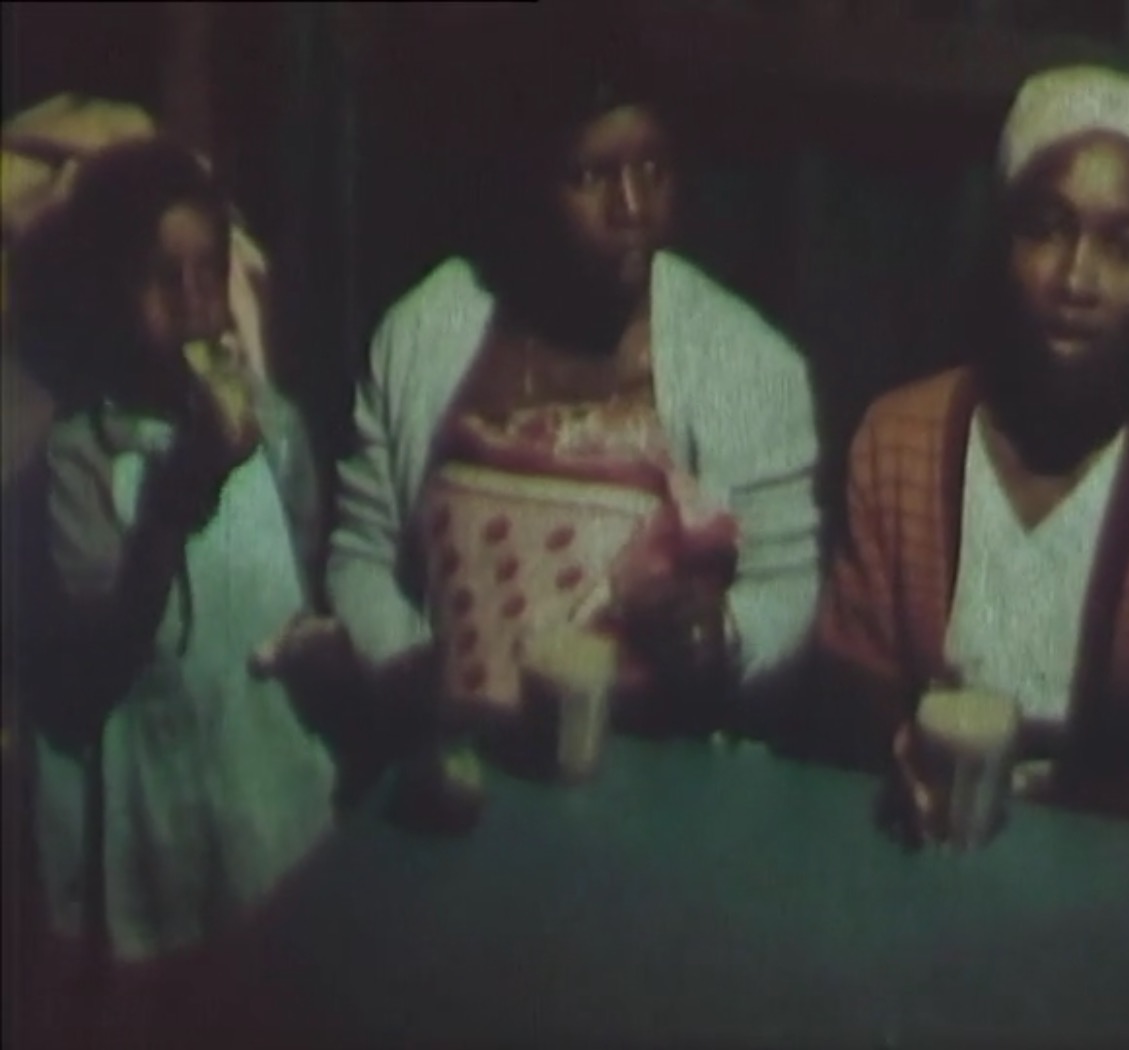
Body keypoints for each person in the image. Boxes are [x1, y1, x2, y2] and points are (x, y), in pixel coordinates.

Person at [318, 17, 821, 811]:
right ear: (524, 180)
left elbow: (787, 586)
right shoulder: (424, 332)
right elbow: (361, 554)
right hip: (457, 786)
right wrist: (407, 671)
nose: (633, 208)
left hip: (659, 799)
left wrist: (723, 638)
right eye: (590, 175)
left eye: (654, 169)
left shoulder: (747, 363)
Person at [816, 65, 1129, 838]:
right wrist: (900, 761)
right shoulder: (899, 439)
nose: (1076, 278)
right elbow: (850, 689)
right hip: (919, 842)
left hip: (1124, 874)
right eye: (1046, 228)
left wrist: (1064, 828)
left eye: (1126, 247)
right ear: (1003, 247)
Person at [11, 136, 336, 1044]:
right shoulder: (83, 457)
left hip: (267, 788)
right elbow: (98, 649)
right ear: (106, 296)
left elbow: (296, 570)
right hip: (153, 806)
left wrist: (321, 643)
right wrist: (174, 506)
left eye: (210, 272)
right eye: (163, 279)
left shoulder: (273, 425)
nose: (196, 304)